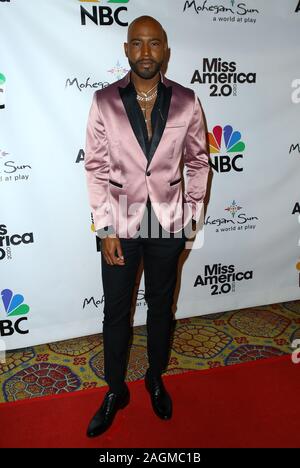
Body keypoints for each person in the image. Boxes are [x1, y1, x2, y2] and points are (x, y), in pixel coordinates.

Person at [84, 15, 209, 437]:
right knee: (116, 312)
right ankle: (115, 389)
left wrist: (192, 219)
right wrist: (105, 230)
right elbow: (96, 168)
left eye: (154, 44)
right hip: (119, 221)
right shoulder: (104, 101)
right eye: (137, 43)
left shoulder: (187, 101)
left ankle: (155, 377)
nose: (145, 52)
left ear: (166, 51)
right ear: (125, 49)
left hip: (169, 221)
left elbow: (197, 161)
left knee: (161, 307)